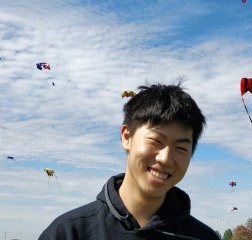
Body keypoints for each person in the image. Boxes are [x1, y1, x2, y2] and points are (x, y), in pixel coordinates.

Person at [39, 81, 221, 240]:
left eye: (181, 148)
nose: (165, 158)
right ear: (127, 137)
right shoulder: (68, 233)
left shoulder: (203, 237)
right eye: (156, 141)